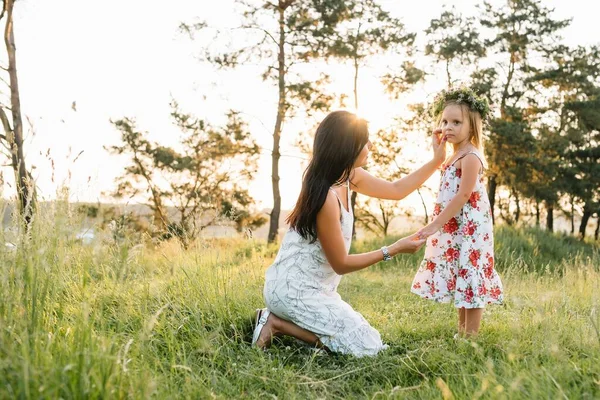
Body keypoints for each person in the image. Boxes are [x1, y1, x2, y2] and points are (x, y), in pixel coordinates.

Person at [252, 110, 446, 356]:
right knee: (364, 348)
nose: (371, 146)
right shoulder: (326, 196)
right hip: (293, 290)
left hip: (316, 290)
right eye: (365, 142)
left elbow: (397, 190)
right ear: (347, 147)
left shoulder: (347, 177)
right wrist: (393, 249)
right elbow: (341, 264)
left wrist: (436, 160)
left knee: (370, 342)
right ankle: (275, 323)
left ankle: (284, 323)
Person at [411, 87, 504, 337]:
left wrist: (435, 225)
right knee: (462, 273)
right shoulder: (453, 156)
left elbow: (463, 195)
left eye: (456, 122)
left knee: (471, 272)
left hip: (471, 228)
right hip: (457, 226)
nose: (448, 127)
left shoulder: (471, 156)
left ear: (472, 127)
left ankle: (470, 336)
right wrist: (436, 150)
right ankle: (462, 332)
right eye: (444, 121)